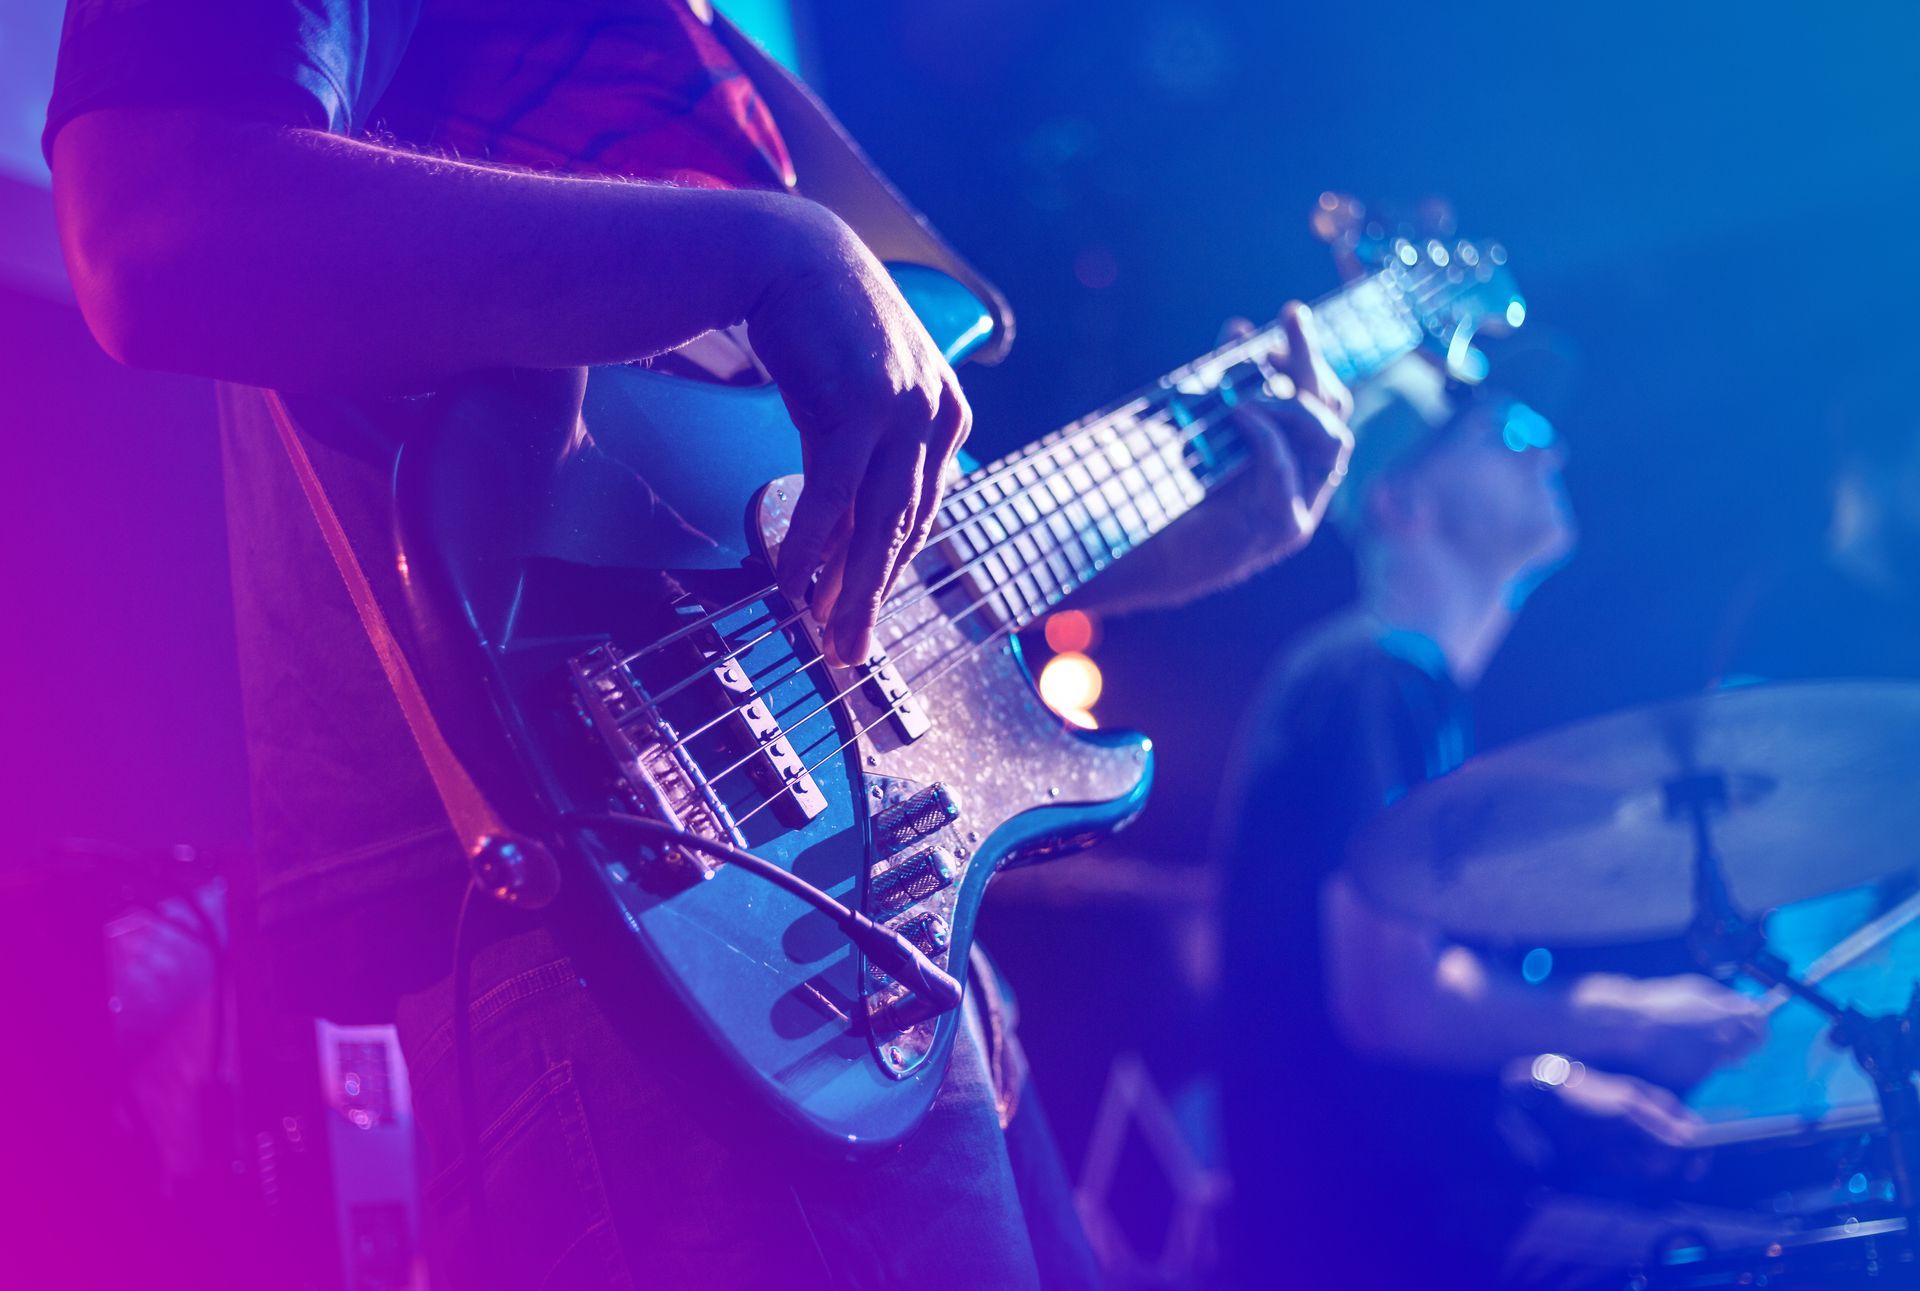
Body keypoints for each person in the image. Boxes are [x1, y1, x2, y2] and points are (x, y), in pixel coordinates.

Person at [42, 3, 1354, 1287]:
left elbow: (774, 541)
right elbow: (160, 211)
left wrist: (1157, 542)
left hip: (856, 907)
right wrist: (769, 252)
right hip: (609, 902)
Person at [1213, 357, 1766, 1289]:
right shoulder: (1371, 677)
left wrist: (1550, 1078)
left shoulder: (1405, 689)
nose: (1544, 446)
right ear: (1403, 503)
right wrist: (1628, 1020)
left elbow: (1370, 1004)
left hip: (1432, 1214)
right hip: (1398, 1243)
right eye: (1502, 435)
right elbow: (1387, 1001)